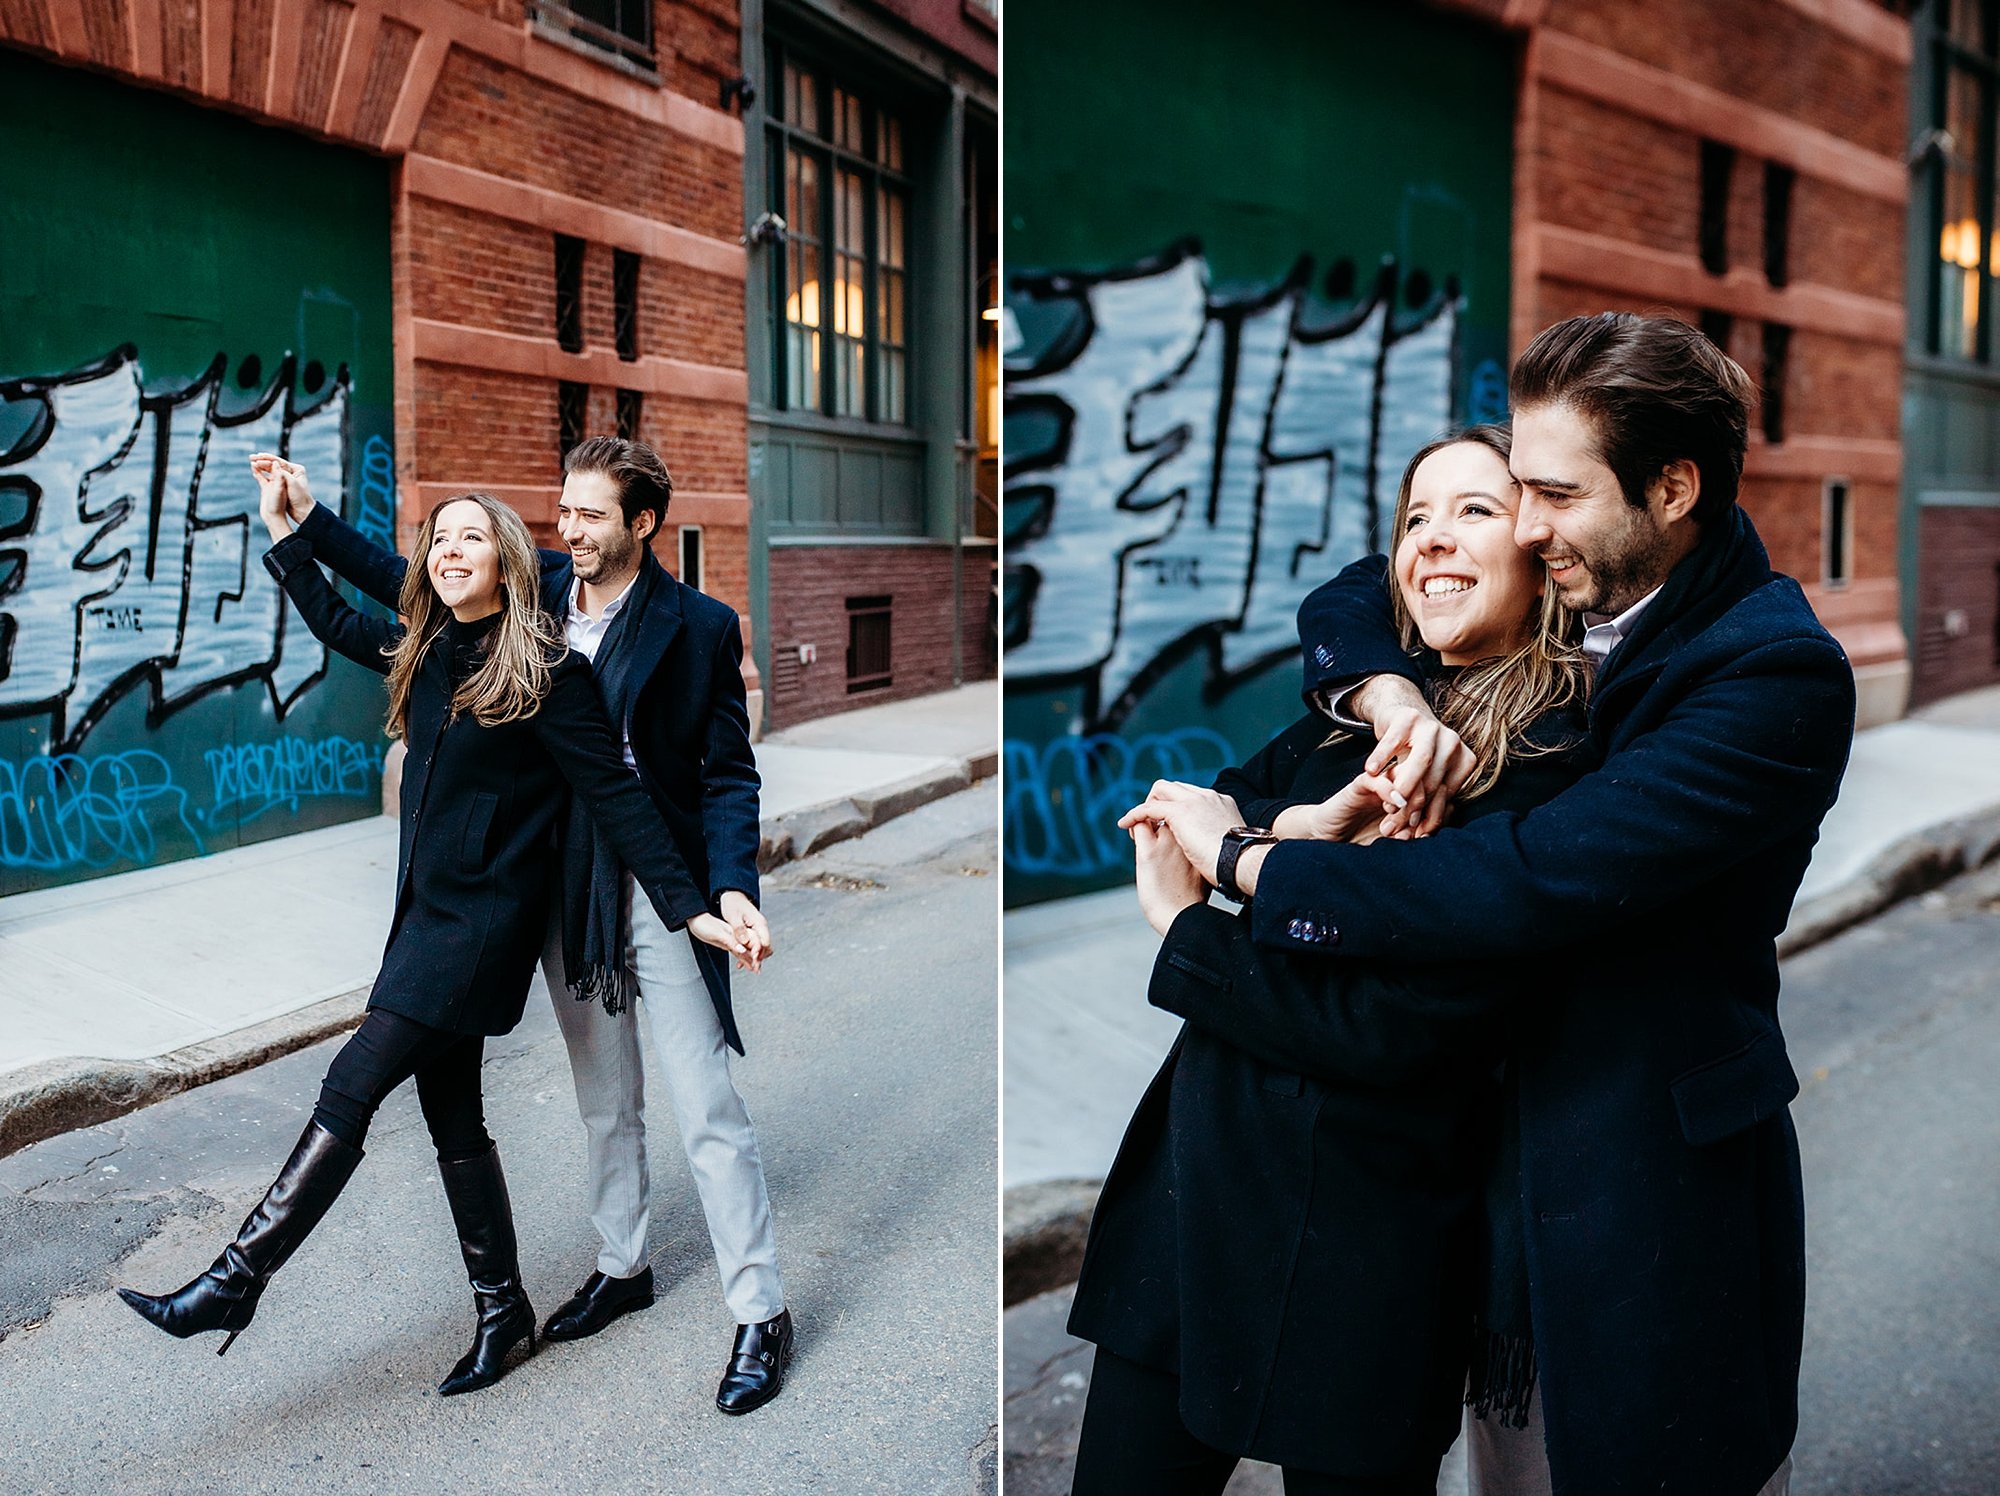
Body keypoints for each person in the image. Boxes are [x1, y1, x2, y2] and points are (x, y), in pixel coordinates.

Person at [1132, 313, 1856, 1496]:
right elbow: (1363, 585)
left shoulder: (1767, 672)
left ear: (1670, 486)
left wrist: (1246, 865)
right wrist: (1391, 700)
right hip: (1483, 1186)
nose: (1519, 525)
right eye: (1510, 490)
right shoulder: (1586, 574)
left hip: (1636, 1194)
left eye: (1549, 497)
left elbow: (1525, 877)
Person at [118, 469, 749, 1399]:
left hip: (483, 931)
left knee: (352, 1082)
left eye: (470, 538)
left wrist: (693, 906)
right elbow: (338, 623)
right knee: (451, 1114)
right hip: (424, 917)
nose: (448, 551)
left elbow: (618, 798)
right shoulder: (427, 647)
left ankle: (234, 1280)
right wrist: (288, 533)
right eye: (437, 539)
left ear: (507, 562)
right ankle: (504, 1312)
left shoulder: (545, 673)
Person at [1072, 429, 1590, 1494]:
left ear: (1543, 548)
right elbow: (1207, 803)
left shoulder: (1553, 759)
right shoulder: (1359, 711)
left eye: (1474, 512)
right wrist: (1292, 832)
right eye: (1415, 518)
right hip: (1193, 1198)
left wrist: (1191, 924)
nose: (1432, 542)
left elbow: (1396, 1027)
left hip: (1370, 1241)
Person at [260, 437, 793, 1414]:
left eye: (590, 515)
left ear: (640, 523)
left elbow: (726, 773)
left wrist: (728, 888)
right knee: (604, 1097)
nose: (568, 530)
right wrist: (304, 516)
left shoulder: (699, 627)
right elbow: (408, 575)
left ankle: (759, 1308)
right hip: (556, 885)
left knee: (704, 1102)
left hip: (654, 878)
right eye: (562, 512)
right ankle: (622, 1263)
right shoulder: (535, 584)